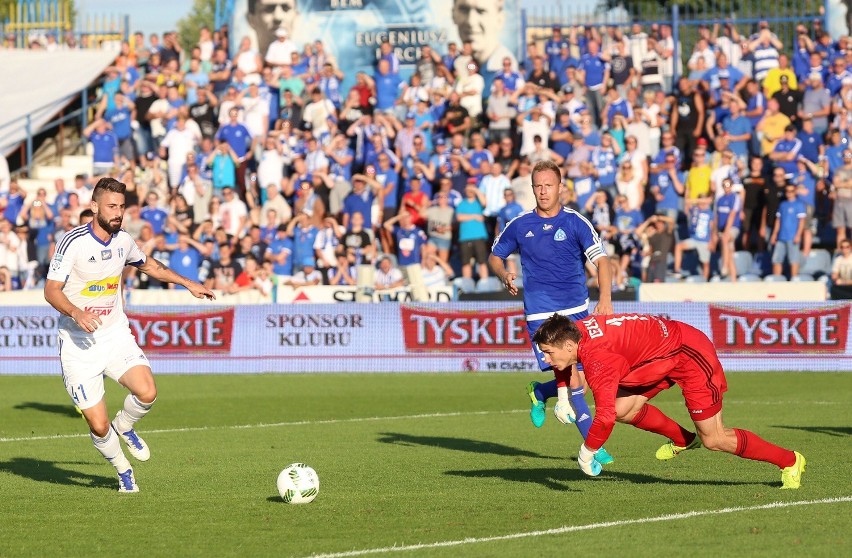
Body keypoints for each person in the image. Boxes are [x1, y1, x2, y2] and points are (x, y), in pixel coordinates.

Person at [43, 178, 215, 493]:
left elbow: (150, 266)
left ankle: (125, 426)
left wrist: (189, 283)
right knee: (97, 424)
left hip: (114, 334)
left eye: (122, 206)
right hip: (78, 345)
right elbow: (51, 291)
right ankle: (124, 471)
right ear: (94, 206)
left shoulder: (123, 240)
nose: (118, 212)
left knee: (147, 392)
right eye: (112, 206)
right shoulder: (73, 241)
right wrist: (77, 313)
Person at [531, 313, 806, 489]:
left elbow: (602, 419)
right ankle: (685, 440)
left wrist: (586, 453)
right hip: (660, 355)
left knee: (714, 439)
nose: (545, 359)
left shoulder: (598, 359)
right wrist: (565, 395)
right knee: (622, 408)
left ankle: (790, 460)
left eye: (547, 352)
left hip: (689, 354)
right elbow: (562, 359)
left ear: (568, 345)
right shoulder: (574, 331)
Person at [488, 160, 614, 464]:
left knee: (581, 381)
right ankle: (593, 449)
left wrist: (606, 298)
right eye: (538, 186)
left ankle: (541, 393)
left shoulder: (575, 222)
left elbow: (604, 262)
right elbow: (495, 256)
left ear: (560, 188)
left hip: (576, 310)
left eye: (548, 185)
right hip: (540, 313)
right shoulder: (519, 224)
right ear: (532, 189)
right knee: (574, 382)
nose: (543, 191)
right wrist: (504, 274)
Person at [451, 0, 517, 77]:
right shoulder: (460, 60)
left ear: (500, 19)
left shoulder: (502, 63)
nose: (471, 21)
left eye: (481, 11)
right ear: (453, 15)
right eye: (464, 9)